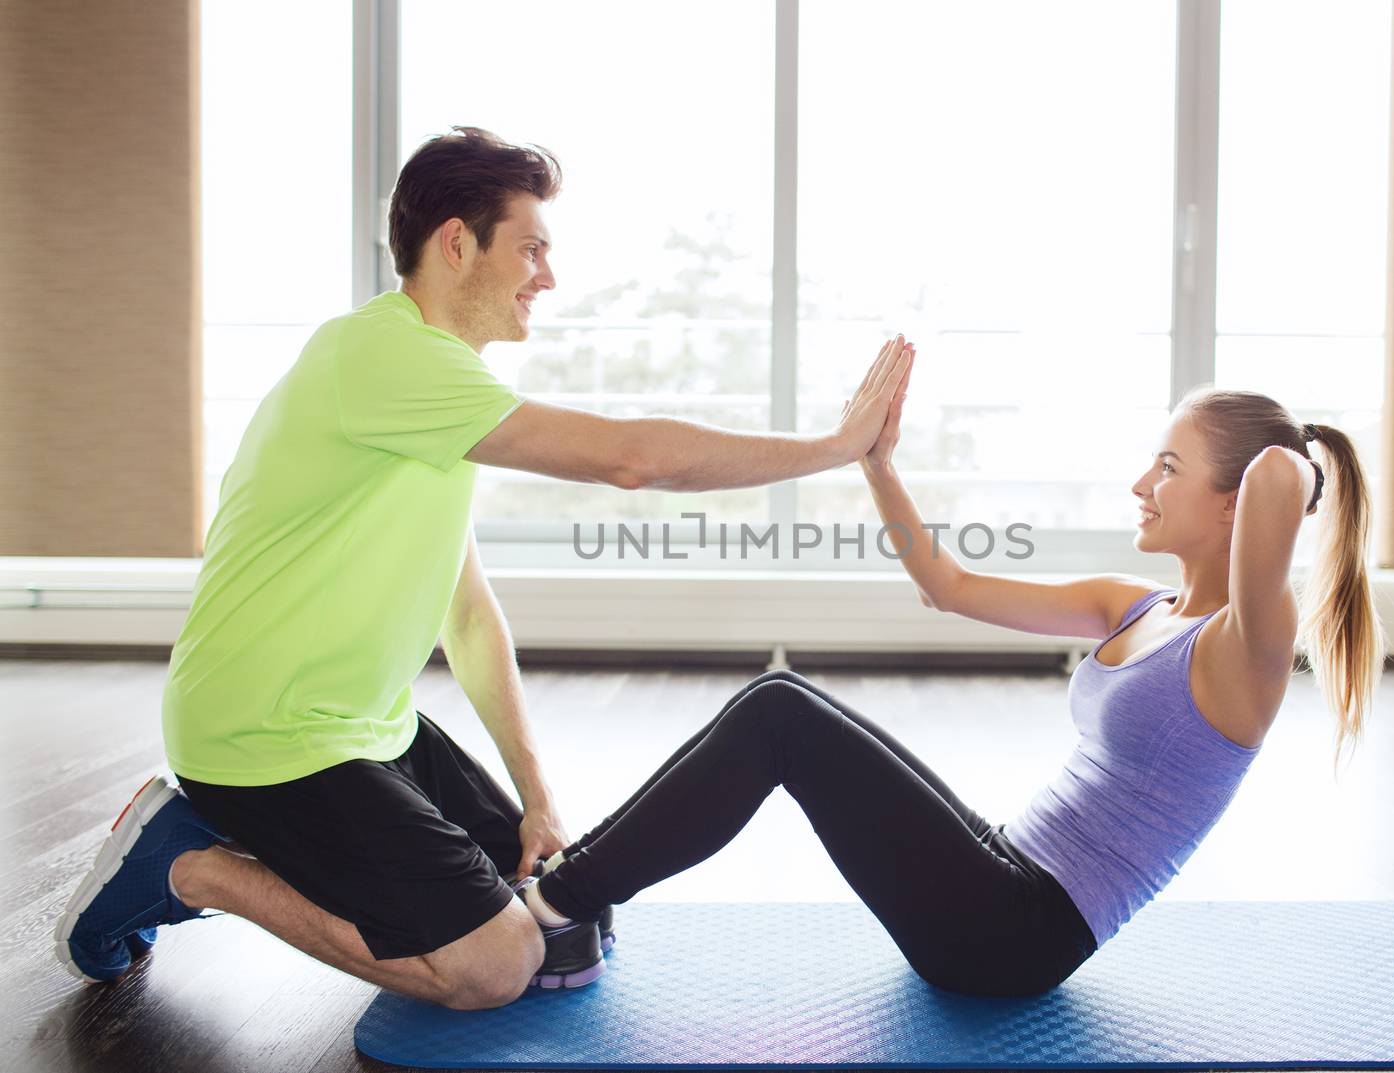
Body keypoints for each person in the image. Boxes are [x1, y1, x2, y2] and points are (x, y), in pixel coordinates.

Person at [53, 126, 913, 1012]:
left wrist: (539, 799)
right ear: (457, 243)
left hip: (365, 727)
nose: (548, 276)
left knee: (565, 911)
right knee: (495, 964)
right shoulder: (382, 357)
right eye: (531, 248)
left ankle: (269, 847)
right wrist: (834, 447)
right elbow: (631, 459)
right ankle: (192, 863)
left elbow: (466, 617)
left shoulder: (440, 392)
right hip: (263, 738)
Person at [518, 353, 1388, 997]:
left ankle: (557, 906)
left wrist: (1296, 455)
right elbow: (948, 585)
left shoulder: (1250, 648)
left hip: (1017, 937)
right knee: (776, 701)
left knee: (779, 714)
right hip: (1004, 866)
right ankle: (579, 896)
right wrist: (875, 460)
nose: (1140, 483)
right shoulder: (1134, 604)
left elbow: (1277, 474)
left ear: (1235, 501)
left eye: (1168, 467)